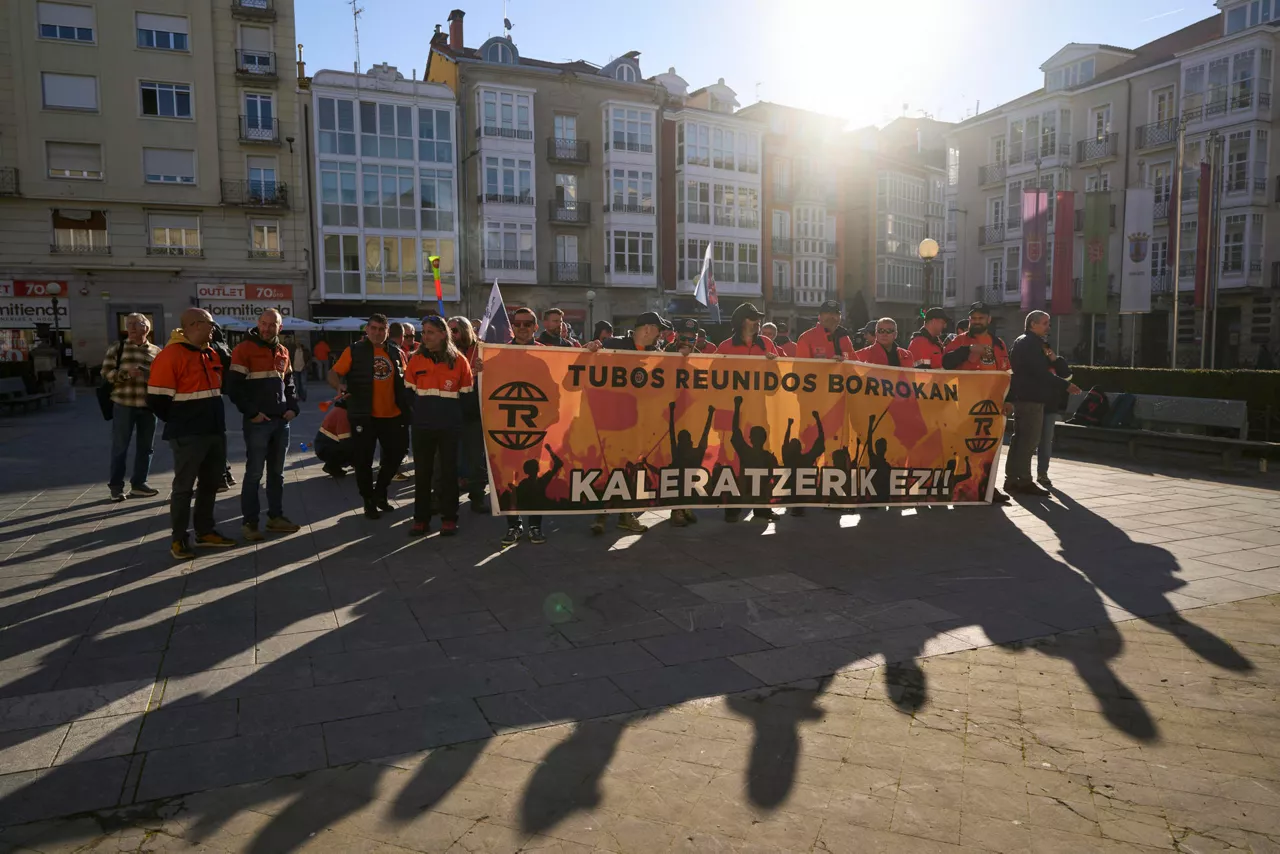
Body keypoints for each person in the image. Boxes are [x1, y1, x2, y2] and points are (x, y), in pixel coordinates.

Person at [147, 309, 237, 559]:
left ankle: (205, 531)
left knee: (210, 484)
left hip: (214, 430)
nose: (214, 329)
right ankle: (178, 539)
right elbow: (156, 400)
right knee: (184, 487)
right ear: (195, 325)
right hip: (188, 433)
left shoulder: (210, 352)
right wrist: (181, 420)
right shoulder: (170, 356)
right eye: (211, 324)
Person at [584, 311, 674, 535]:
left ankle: (626, 515)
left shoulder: (656, 353)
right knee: (609, 467)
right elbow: (589, 368)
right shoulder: (613, 344)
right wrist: (589, 351)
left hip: (639, 422)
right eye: (658, 330)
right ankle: (602, 516)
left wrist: (681, 357)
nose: (660, 335)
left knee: (632, 469)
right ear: (647, 329)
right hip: (612, 418)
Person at [227, 308, 302, 542]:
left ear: (280, 327)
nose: (267, 328)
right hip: (258, 423)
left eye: (273, 324)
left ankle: (275, 517)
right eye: (263, 323)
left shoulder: (283, 351)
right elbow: (234, 388)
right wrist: (252, 413)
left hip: (281, 421)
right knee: (254, 474)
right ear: (258, 323)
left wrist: (293, 408)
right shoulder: (244, 349)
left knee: (277, 474)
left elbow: (289, 383)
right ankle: (250, 523)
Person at [328, 314, 411, 519]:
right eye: (373, 328)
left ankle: (380, 492)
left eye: (381, 329)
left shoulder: (396, 352)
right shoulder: (354, 350)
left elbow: (407, 381)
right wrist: (339, 385)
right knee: (363, 460)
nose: (377, 332)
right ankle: (368, 500)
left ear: (387, 331)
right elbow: (333, 373)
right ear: (367, 329)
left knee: (397, 453)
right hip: (363, 414)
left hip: (393, 415)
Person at [405, 316, 473, 537]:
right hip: (423, 427)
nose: (425, 336)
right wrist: (416, 417)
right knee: (423, 474)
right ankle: (421, 520)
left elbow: (467, 399)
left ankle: (449, 518)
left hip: (449, 428)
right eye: (423, 332)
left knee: (448, 474)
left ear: (443, 334)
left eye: (430, 332)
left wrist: (456, 421)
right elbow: (407, 394)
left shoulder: (460, 361)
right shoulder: (415, 360)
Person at [943, 303, 1013, 504]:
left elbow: (1006, 374)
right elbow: (946, 363)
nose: (976, 321)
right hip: (964, 406)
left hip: (990, 407)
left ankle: (987, 487)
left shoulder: (998, 344)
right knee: (962, 448)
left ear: (989, 320)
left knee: (989, 448)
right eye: (973, 318)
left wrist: (1008, 400)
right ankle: (960, 486)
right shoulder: (960, 341)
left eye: (981, 318)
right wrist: (968, 350)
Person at [1006, 310, 1079, 496]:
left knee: (1021, 439)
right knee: (1029, 440)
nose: (1049, 326)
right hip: (1030, 397)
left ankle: (1013, 478)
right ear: (1033, 324)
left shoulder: (1036, 343)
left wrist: (1057, 365)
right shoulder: (1028, 343)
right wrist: (1066, 385)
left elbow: (1057, 368)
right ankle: (1023, 480)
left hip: (1029, 397)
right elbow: (1039, 372)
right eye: (1045, 323)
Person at [101, 313, 161, 502]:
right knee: (120, 447)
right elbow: (106, 373)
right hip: (124, 404)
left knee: (146, 448)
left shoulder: (156, 351)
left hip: (148, 406)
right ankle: (116, 487)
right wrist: (126, 373)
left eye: (136, 324)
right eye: (129, 324)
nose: (132, 328)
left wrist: (150, 377)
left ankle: (139, 484)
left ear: (146, 327)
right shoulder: (118, 348)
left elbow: (161, 378)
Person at [449, 317, 489, 512]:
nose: (452, 335)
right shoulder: (446, 352)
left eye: (455, 331)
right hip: (451, 411)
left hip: (474, 412)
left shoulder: (482, 349)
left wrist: (485, 369)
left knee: (475, 458)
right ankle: (448, 497)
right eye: (449, 331)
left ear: (465, 331)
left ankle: (477, 497)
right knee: (451, 457)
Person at [1039, 338, 1074, 489]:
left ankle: (1042, 473)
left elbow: (1067, 377)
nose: (1044, 352)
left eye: (1046, 349)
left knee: (1046, 441)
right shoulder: (1031, 362)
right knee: (1027, 441)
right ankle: (1022, 474)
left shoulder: (1056, 362)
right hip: (1031, 404)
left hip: (1050, 407)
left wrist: (1056, 360)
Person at [387, 322, 414, 483]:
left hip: (387, 400)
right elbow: (402, 378)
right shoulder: (396, 351)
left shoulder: (382, 349)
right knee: (397, 439)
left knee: (390, 438)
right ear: (402, 336)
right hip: (398, 401)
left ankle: (391, 468)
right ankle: (394, 470)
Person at [315, 397, 353, 478]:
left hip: (324, 445)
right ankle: (332, 466)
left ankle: (333, 465)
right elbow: (346, 440)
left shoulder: (341, 409)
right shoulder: (343, 414)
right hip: (326, 447)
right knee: (352, 447)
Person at [291, 338, 309, 402]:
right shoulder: (293, 350)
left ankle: (303, 397)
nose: (297, 344)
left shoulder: (305, 350)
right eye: (296, 342)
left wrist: (306, 365)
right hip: (295, 369)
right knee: (297, 384)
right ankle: (298, 396)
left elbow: (309, 359)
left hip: (303, 368)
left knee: (303, 383)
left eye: (299, 342)